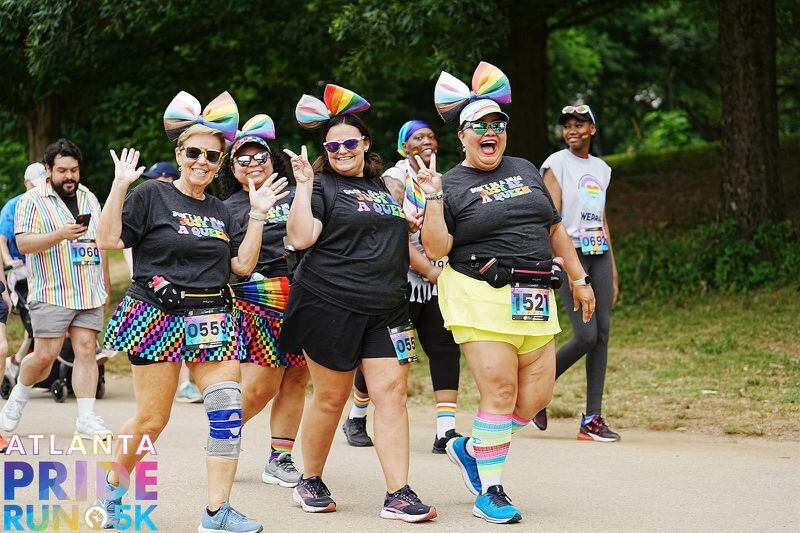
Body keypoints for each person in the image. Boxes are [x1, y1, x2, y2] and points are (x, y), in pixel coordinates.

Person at [97, 90, 288, 532]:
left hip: (211, 317)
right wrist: (119, 185)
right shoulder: (151, 196)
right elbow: (109, 241)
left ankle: (216, 512)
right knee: (152, 418)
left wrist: (258, 216)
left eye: (213, 156)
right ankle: (112, 488)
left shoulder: (221, 209)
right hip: (157, 315)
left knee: (226, 407)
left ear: (221, 163)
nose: (203, 161)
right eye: (194, 152)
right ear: (179, 154)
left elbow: (241, 266)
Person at [418, 62, 596, 524]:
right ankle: (491, 490)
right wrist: (433, 198)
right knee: (499, 391)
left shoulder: (524, 169)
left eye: (498, 125)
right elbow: (437, 249)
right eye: (481, 126)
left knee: (534, 398)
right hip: (479, 292)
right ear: (462, 136)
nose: (491, 132)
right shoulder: (450, 184)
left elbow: (555, 228)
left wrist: (579, 279)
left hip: (534, 295)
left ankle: (471, 447)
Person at [280, 84, 436, 523]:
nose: (342, 150)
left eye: (350, 142)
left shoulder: (385, 186)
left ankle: (398, 493)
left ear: (365, 144)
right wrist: (303, 187)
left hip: (387, 307)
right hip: (329, 304)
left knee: (392, 394)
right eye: (333, 146)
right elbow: (300, 237)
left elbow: (400, 239)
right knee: (330, 398)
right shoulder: (321, 185)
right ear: (325, 151)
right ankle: (309, 478)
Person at [344, 120, 463, 454]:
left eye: (430, 136)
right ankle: (356, 416)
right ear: (402, 147)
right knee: (389, 352)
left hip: (438, 278)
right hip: (402, 280)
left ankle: (446, 430)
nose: (425, 141)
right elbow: (391, 223)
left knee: (444, 347)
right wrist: (425, 267)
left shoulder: (445, 179)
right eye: (416, 137)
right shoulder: (396, 178)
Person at [0, 139, 112, 440]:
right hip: (52, 291)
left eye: (74, 170)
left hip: (88, 289)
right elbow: (23, 244)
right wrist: (60, 234)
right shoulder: (31, 201)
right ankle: (17, 398)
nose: (69, 176)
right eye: (62, 170)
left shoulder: (89, 197)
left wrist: (105, 282)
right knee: (45, 355)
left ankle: (86, 419)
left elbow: (99, 243)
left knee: (87, 349)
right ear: (48, 170)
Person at [220, 113, 310, 487]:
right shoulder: (226, 208)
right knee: (262, 385)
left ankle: (280, 457)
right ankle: (221, 436)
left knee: (298, 377)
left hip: (307, 290)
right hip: (260, 294)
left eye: (261, 157)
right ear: (233, 168)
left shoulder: (298, 194)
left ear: (273, 160)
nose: (254, 163)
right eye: (244, 158)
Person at [536, 104, 620, 442]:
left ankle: (592, 418)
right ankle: (535, 391)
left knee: (601, 335)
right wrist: (565, 267)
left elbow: (602, 217)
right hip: (572, 255)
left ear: (592, 130)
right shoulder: (556, 164)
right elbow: (550, 219)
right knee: (585, 336)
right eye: (567, 126)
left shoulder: (602, 168)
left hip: (599, 253)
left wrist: (612, 271)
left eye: (579, 125)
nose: (572, 130)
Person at [0, 163, 46, 382]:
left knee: (40, 323)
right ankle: (18, 363)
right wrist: (8, 259)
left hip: (44, 269)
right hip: (21, 271)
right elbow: (2, 239)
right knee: (33, 318)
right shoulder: (13, 206)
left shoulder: (47, 204)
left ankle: (18, 361)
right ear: (26, 183)